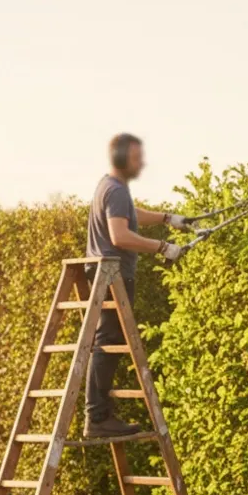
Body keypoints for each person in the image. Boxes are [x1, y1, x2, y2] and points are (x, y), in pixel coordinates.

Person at [83, 133, 194, 438]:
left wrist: (168, 218)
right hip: (113, 275)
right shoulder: (116, 190)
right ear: (120, 158)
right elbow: (120, 236)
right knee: (107, 345)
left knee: (106, 343)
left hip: (104, 272)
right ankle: (97, 417)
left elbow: (129, 216)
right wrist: (162, 247)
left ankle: (98, 415)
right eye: (136, 157)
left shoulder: (112, 187)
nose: (141, 162)